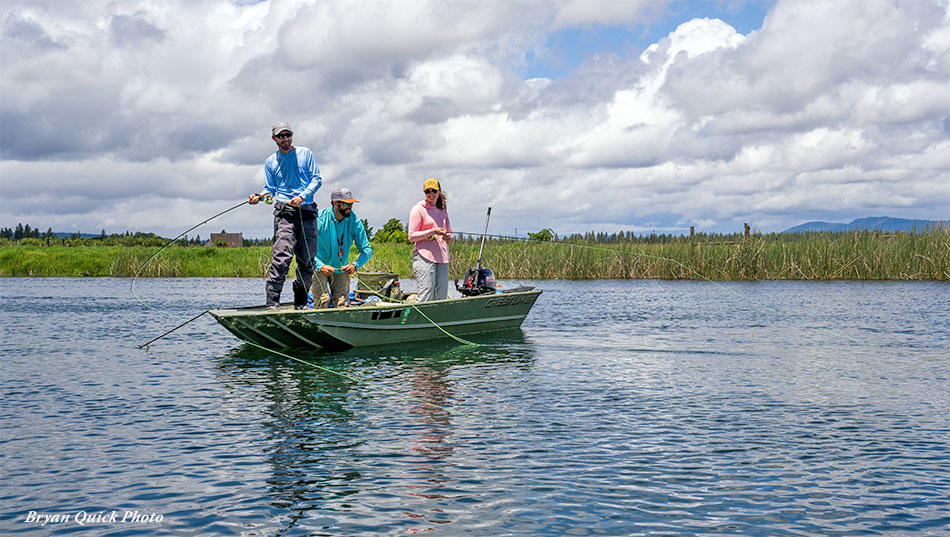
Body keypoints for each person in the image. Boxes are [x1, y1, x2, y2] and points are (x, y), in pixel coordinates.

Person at [248, 121, 322, 309]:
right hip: (284, 215)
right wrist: (259, 197)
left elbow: (317, 179)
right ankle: (272, 304)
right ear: (274, 138)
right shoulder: (271, 162)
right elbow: (270, 190)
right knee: (281, 258)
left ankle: (301, 303)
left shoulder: (306, 154)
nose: (285, 139)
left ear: (292, 135)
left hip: (307, 213)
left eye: (288, 135)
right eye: (281, 136)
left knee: (307, 261)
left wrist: (302, 196)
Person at [312, 187, 373, 308]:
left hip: (341, 268)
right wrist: (320, 266)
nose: (350, 207)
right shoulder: (319, 219)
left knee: (343, 303)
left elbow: (367, 250)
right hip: (319, 266)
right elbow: (305, 248)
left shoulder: (354, 221)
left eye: (351, 203)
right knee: (323, 300)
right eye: (346, 203)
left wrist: (355, 266)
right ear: (335, 203)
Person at [408, 178, 452, 301]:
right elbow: (411, 236)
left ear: (439, 192)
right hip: (423, 256)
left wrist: (447, 236)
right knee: (426, 295)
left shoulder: (443, 210)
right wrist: (433, 231)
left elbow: (449, 232)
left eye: (434, 191)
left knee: (441, 296)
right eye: (428, 191)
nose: (431, 194)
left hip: (442, 257)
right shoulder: (418, 209)